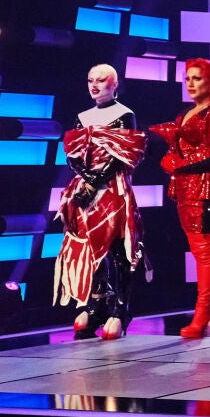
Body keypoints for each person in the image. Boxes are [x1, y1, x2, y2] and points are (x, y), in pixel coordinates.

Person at [149, 58, 210, 339]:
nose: (190, 83)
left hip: (206, 188)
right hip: (183, 188)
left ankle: (203, 310)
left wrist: (180, 164)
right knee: (196, 248)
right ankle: (207, 308)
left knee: (205, 250)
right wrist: (171, 160)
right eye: (187, 78)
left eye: (197, 78)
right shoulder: (185, 114)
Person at [54, 64, 146, 341]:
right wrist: (87, 177)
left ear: (114, 84)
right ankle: (95, 306)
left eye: (101, 80)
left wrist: (96, 179)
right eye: (90, 80)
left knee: (119, 249)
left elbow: (125, 155)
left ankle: (120, 308)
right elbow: (72, 154)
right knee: (86, 247)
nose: (94, 85)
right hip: (85, 188)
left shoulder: (124, 115)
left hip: (112, 189)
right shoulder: (83, 116)